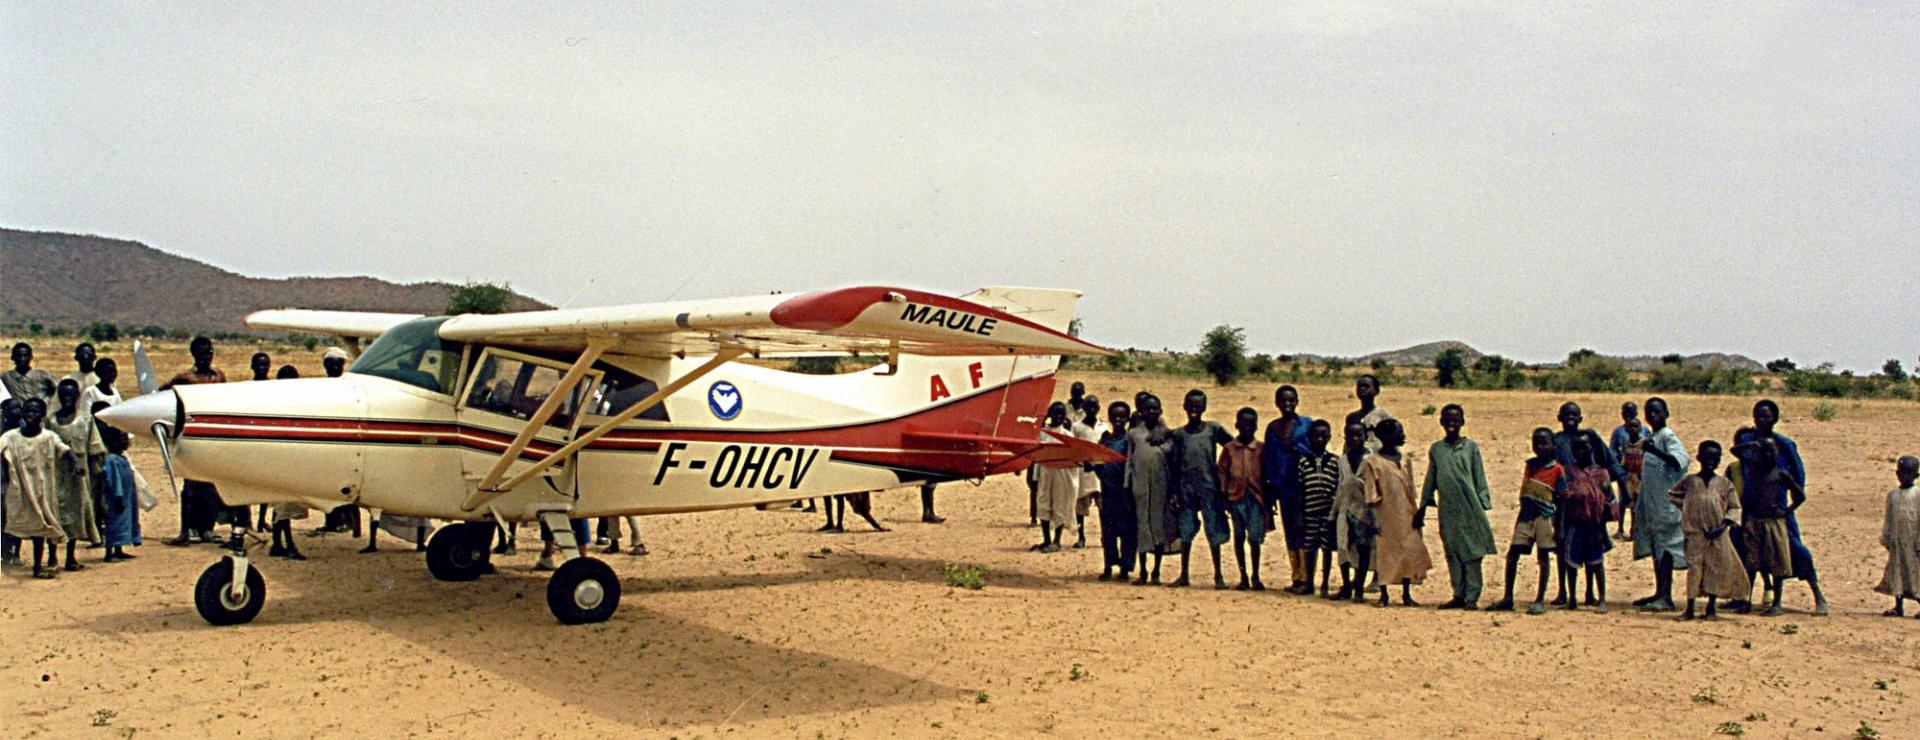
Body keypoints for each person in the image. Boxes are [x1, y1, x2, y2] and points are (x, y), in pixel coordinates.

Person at [1729, 400, 1829, 615]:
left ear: (1775, 419)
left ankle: (1817, 595)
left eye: (1766, 417)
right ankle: (1742, 596)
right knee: (1745, 551)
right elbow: (1737, 454)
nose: (1762, 421)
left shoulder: (1784, 446)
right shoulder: (1749, 440)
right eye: (1758, 416)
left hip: (1777, 512)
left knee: (1794, 551)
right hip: (1751, 511)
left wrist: (1786, 509)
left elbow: (1798, 481)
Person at [1418, 404, 1494, 610]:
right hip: (1448, 509)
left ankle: (1472, 596)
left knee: (1472, 551)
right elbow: (1431, 478)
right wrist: (1423, 505)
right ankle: (1458, 594)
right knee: (1452, 551)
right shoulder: (1437, 449)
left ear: (1462, 422)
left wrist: (1483, 502)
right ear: (1441, 422)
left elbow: (1479, 475)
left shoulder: (1470, 447)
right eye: (1447, 420)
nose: (1452, 424)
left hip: (1470, 508)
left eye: (1456, 420)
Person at [1550, 402, 1624, 606]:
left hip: (1592, 507)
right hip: (1565, 502)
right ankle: (1564, 592)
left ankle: (1591, 593)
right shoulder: (1556, 441)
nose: (1570, 419)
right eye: (1566, 415)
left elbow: (1609, 462)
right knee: (1563, 546)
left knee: (1593, 551)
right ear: (1559, 418)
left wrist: (1622, 481)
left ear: (1580, 418)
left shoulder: (1590, 437)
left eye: (1574, 415)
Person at [161, 336, 228, 547]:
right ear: (194, 354)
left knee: (210, 487)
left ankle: (207, 528)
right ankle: (185, 531)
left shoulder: (218, 376)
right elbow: (163, 392)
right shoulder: (185, 378)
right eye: (202, 352)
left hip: (212, 437)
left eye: (209, 352)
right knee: (191, 487)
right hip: (191, 435)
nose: (207, 356)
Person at [1491, 428, 1565, 615]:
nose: (1539, 447)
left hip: (1545, 517)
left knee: (1543, 556)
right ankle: (1508, 596)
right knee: (1513, 553)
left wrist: (1559, 525)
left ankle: (1540, 599)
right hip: (1525, 516)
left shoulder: (1557, 469)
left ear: (1552, 446)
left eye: (1544, 443)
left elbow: (1562, 499)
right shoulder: (1530, 465)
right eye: (1536, 443)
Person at [1670, 440, 1745, 621]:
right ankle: (1690, 607)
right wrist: (1688, 510)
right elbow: (1673, 495)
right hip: (1695, 534)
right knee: (1694, 569)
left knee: (1714, 568)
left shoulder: (1725, 484)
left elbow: (1735, 508)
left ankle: (1711, 606)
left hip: (1718, 535)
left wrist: (1723, 525)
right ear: (1699, 458)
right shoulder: (1689, 482)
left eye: (1715, 458)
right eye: (1707, 457)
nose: (1711, 461)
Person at [1168, 389, 1234, 589]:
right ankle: (1184, 574)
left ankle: (1218, 576)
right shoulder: (1179, 434)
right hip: (1186, 490)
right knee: (1186, 531)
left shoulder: (1213, 429)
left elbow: (1232, 446)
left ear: (1204, 407)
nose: (1194, 410)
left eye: (1198, 406)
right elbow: (1174, 464)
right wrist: (1174, 492)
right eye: (1191, 406)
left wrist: (1224, 473)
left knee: (1212, 531)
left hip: (1209, 489)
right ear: (1184, 407)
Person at [1631, 397, 1690, 612]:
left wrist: (1654, 450)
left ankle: (1666, 596)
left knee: (1665, 550)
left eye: (1657, 412)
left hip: (1667, 508)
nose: (1653, 416)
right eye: (1649, 412)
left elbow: (1679, 462)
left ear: (1666, 414)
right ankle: (1659, 592)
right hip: (1652, 507)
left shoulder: (1667, 437)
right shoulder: (1653, 437)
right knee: (1657, 548)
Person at [3, 398, 71, 578]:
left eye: (34, 412)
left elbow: (64, 450)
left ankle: (48, 560)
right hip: (22, 490)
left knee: (48, 522)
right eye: (27, 411)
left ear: (42, 415)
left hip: (45, 489)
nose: (30, 415)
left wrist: (74, 463)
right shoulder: (11, 437)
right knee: (34, 527)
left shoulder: (48, 437)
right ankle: (33, 565)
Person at [1736, 437, 1803, 617]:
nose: (1768, 455)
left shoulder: (1781, 474)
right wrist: (1752, 444)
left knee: (1777, 564)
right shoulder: (1754, 469)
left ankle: (1777, 603)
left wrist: (1786, 511)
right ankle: (1746, 600)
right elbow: (1735, 451)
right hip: (1755, 521)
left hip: (1774, 523)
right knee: (1752, 563)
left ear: (1777, 454)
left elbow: (1800, 496)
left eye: (1771, 452)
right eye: (1764, 452)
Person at [1363, 418, 1426, 606]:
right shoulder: (1373, 462)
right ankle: (1384, 594)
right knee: (1386, 553)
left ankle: (1406, 594)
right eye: (1399, 432)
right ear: (1386, 437)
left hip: (1406, 512)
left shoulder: (1405, 460)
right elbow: (1371, 495)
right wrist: (1374, 520)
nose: (1403, 435)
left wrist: (1417, 513)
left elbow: (1411, 488)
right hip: (1385, 514)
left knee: (1407, 552)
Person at [1262, 385, 1314, 594]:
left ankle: (1307, 577)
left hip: (1304, 486)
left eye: (1291, 400)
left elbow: (1313, 450)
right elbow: (1268, 459)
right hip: (1283, 488)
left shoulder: (1306, 425)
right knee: (1290, 530)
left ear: (1297, 401)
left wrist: (1295, 448)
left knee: (1304, 529)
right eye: (1283, 401)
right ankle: (1297, 576)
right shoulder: (1273, 428)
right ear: (1277, 403)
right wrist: (1270, 487)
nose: (1287, 405)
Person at [47, 379, 101, 567]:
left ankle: (70, 557)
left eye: (71, 394)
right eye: (63, 394)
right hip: (55, 475)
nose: (67, 398)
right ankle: (52, 555)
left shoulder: (85, 419)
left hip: (78, 477)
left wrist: (97, 474)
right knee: (54, 514)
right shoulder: (50, 421)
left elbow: (95, 449)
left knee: (76, 513)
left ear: (77, 396)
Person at [1560, 436, 1615, 613]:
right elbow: (1562, 499)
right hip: (1575, 523)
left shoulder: (1602, 473)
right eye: (1577, 449)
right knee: (1572, 563)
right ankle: (1573, 597)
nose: (1581, 452)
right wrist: (1561, 526)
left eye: (1585, 448)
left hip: (1595, 525)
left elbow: (1609, 500)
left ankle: (1602, 599)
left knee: (1596, 562)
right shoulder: (1569, 472)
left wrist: (1604, 527)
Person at [1126, 394, 1173, 584]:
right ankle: (1143, 571)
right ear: (1141, 412)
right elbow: (1129, 461)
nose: (1151, 412)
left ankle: (1157, 571)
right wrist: (1126, 485)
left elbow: (1172, 461)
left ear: (1160, 411)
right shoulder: (1134, 434)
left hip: (1161, 487)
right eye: (1147, 409)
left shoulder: (1168, 434)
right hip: (1140, 487)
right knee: (1142, 528)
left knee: (1158, 527)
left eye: (1155, 408)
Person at [1218, 407, 1265, 591]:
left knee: (1254, 539)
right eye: (1243, 424)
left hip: (1255, 499)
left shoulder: (1261, 448)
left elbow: (1266, 474)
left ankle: (1256, 576)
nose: (1247, 428)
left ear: (1256, 426)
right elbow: (1222, 472)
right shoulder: (1229, 449)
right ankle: (1243, 576)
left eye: (1251, 424)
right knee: (1239, 537)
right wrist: (1224, 495)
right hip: (1236, 498)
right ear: (1237, 425)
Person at [1295, 419, 1341, 597]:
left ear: (1329, 437)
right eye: (1315, 436)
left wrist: (1334, 514)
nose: (1319, 440)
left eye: (1323, 436)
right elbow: (1300, 490)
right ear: (1309, 438)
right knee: (1309, 549)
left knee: (1327, 549)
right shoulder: (1304, 462)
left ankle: (1325, 583)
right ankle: (1309, 583)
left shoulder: (1335, 462)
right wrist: (1299, 514)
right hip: (1309, 513)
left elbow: (1338, 488)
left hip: (1328, 514)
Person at [1331, 420, 1374, 601]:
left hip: (1364, 510)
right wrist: (1332, 514)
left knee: (1363, 549)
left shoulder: (1372, 459)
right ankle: (1346, 585)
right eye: (1351, 436)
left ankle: (1359, 588)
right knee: (1343, 547)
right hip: (1344, 508)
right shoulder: (1342, 460)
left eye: (1359, 435)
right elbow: (1340, 487)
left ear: (1366, 437)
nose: (1355, 439)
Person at [1875, 456, 1920, 618]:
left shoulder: (1917, 495)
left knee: (1915, 574)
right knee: (1897, 573)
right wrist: (1886, 537)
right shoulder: (1893, 495)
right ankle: (1898, 606)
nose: (1904, 476)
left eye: (1909, 473)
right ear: (1896, 474)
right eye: (1902, 473)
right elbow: (1889, 518)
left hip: (1913, 544)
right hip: (1897, 543)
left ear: (1916, 476)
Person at [1032, 402, 1080, 553]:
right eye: (1055, 413)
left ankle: (1057, 540)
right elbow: (1037, 458)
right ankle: (1046, 539)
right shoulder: (1042, 433)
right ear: (1049, 414)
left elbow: (1073, 461)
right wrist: (1035, 477)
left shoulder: (1067, 436)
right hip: (1045, 473)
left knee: (1059, 505)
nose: (1058, 417)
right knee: (1043, 504)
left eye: (1061, 414)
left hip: (1061, 475)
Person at [1095, 401, 1135, 582]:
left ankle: (1125, 568)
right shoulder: (1105, 440)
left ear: (1127, 418)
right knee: (1108, 532)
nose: (1118, 420)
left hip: (1125, 493)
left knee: (1126, 532)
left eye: (1122, 417)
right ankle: (1108, 566)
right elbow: (1098, 462)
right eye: (1114, 416)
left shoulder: (1129, 441)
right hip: (1108, 491)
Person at [97, 426, 139, 562]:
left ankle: (119, 549)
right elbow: (114, 480)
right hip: (116, 498)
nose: (125, 442)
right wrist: (118, 496)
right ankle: (109, 552)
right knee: (113, 524)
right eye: (121, 439)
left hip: (126, 497)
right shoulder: (112, 460)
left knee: (123, 523)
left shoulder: (122, 458)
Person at [1073, 400, 1106, 548]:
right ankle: (1081, 537)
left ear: (1099, 408)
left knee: (1103, 508)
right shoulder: (1077, 427)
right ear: (1084, 408)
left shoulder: (1103, 427)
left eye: (1095, 406)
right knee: (1080, 508)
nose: (1092, 409)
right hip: (1083, 473)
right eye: (1089, 406)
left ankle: (1105, 536)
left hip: (1100, 473)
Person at [1610, 402, 1645, 541]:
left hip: (1640, 474)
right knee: (1623, 499)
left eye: (1632, 413)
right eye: (1626, 413)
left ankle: (1634, 529)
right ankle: (1620, 528)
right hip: (1625, 472)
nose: (1629, 417)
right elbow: (1612, 450)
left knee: (1636, 503)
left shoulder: (1644, 431)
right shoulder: (1618, 432)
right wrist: (1617, 467)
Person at [1344, 374, 1392, 452]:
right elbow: (1347, 443)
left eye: (1366, 386)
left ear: (1376, 391)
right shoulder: (1352, 418)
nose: (1362, 389)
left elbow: (1390, 442)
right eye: (1359, 386)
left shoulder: (1383, 416)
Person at [1, 397, 22, 566]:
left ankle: (16, 552)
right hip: (3, 479)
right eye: (13, 409)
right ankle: (5, 552)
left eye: (19, 408)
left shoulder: (24, 429)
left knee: (17, 517)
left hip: (19, 479)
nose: (17, 412)